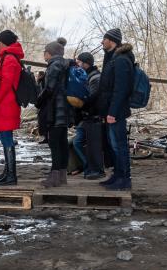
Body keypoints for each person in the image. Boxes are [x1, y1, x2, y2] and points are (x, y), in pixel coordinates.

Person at [95, 29, 135, 191]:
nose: (102, 42)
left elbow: (121, 89)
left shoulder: (121, 60)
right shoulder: (112, 58)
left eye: (104, 39)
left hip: (116, 110)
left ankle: (124, 178)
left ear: (111, 41)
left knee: (119, 145)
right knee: (113, 144)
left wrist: (112, 112)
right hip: (110, 109)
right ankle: (117, 175)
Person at [0, 30, 25, 186]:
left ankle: (11, 176)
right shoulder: (8, 57)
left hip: (6, 104)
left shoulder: (9, 58)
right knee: (4, 138)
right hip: (6, 103)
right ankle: (7, 173)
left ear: (4, 42)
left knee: (7, 138)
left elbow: (6, 84)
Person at [36, 37, 72, 188]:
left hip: (55, 109)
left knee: (55, 143)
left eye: (45, 52)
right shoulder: (65, 64)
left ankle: (54, 176)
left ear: (49, 53)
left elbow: (49, 88)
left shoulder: (54, 65)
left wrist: (38, 99)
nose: (44, 54)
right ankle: (62, 176)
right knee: (62, 142)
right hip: (65, 109)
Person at [72, 51, 104, 180]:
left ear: (86, 63)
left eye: (79, 62)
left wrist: (79, 101)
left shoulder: (95, 77)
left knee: (93, 145)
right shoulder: (86, 76)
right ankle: (87, 167)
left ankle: (96, 170)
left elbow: (93, 97)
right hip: (86, 116)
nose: (77, 64)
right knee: (78, 142)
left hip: (93, 116)